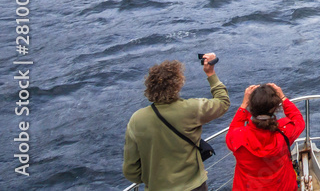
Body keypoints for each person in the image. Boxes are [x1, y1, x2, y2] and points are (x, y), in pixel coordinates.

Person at [123, 53, 230, 191]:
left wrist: (154, 180)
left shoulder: (136, 119)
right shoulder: (191, 109)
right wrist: (210, 73)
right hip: (194, 186)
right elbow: (223, 102)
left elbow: (130, 171)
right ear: (177, 85)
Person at [226, 82, 305, 191]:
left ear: (251, 107)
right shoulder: (284, 133)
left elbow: (233, 129)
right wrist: (282, 97)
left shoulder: (238, 137)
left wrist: (244, 105)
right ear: (275, 108)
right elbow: (298, 120)